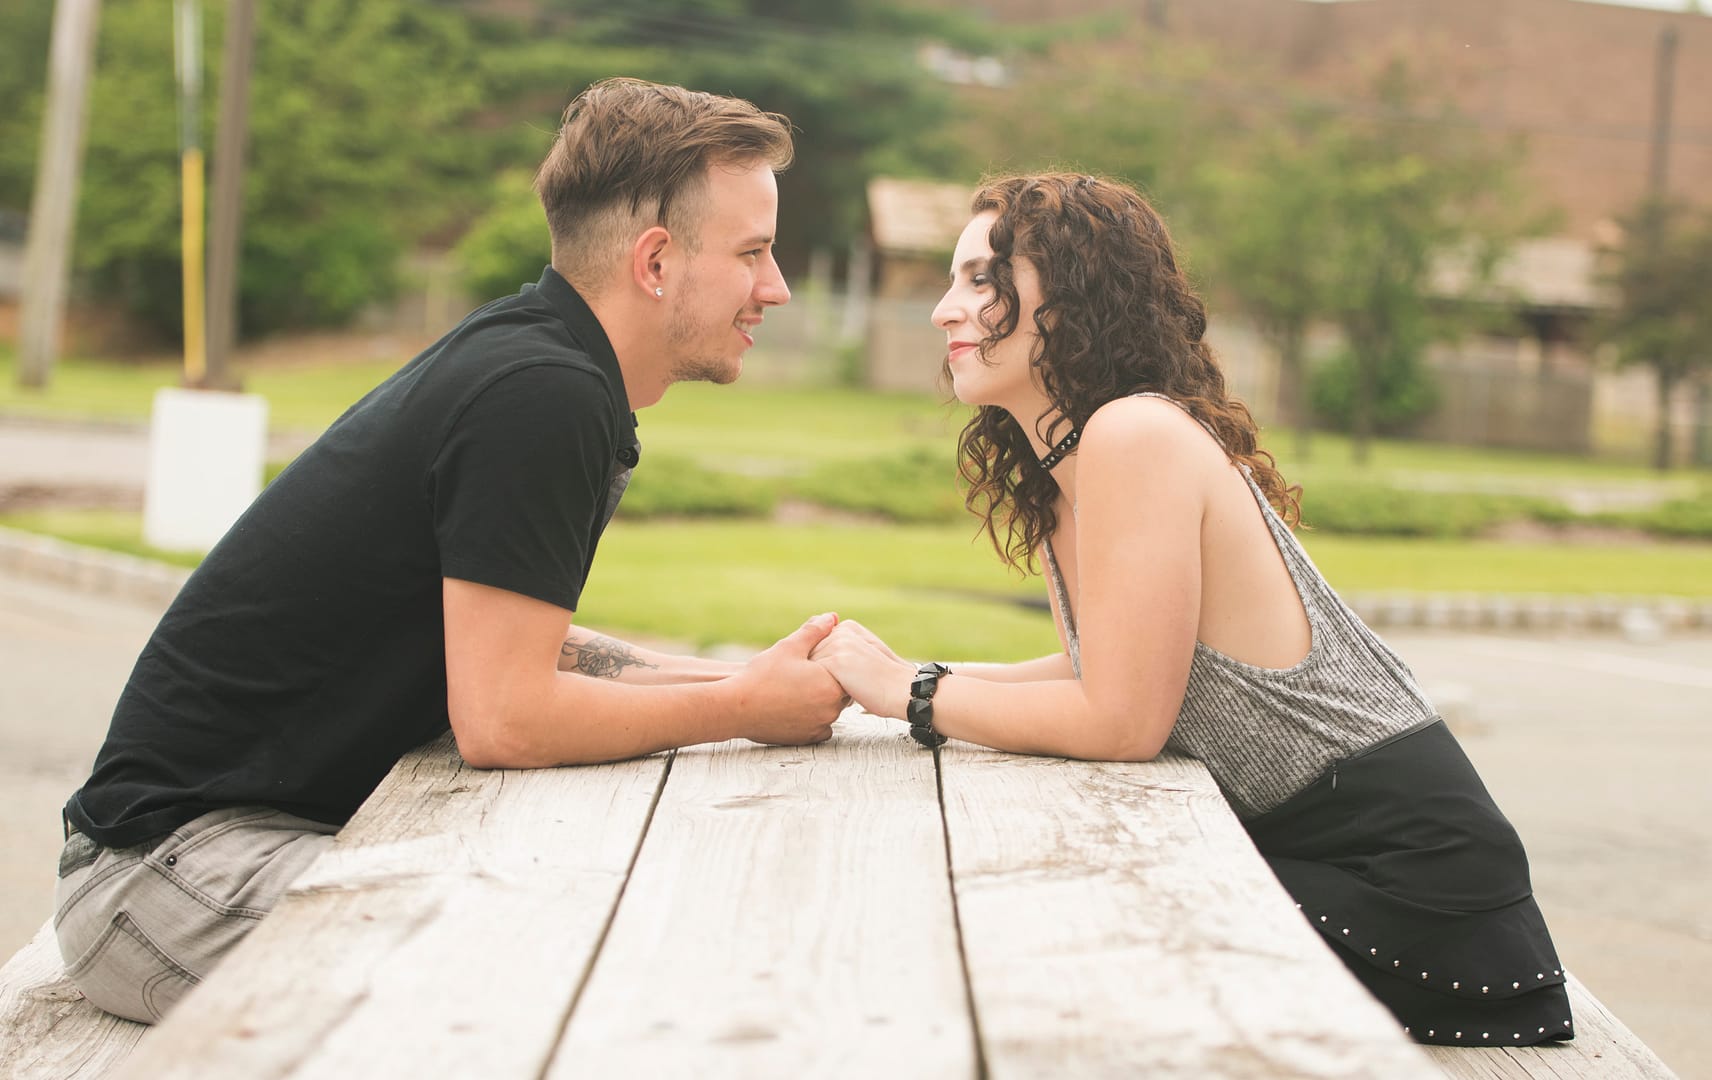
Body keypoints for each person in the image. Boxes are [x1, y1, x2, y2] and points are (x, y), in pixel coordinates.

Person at [54, 78, 846, 1025]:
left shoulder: (542, 361)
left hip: (223, 854)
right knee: (564, 961)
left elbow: (519, 646)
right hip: (168, 876)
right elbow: (504, 717)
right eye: (754, 252)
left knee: (596, 913)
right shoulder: (542, 393)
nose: (777, 286)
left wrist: (734, 680)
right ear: (655, 262)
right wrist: (741, 709)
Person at [810, 172, 1574, 1047]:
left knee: (1026, 945)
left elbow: (1123, 719)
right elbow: (1106, 668)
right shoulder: (1073, 460)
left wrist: (910, 694)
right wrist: (899, 674)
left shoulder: (1137, 434)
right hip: (1326, 858)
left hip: (1409, 891)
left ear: (1073, 296)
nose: (945, 310)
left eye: (982, 280)